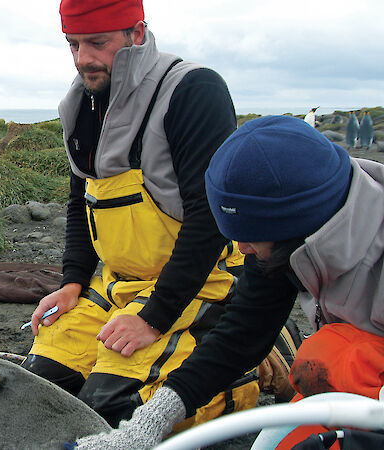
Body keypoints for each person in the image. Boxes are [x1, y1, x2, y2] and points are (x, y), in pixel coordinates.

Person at [75, 114, 384, 448]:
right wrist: (151, 420)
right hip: (354, 382)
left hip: (370, 387)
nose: (240, 248)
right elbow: (243, 332)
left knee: (339, 356)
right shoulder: (289, 237)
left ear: (298, 224)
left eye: (249, 236)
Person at [22, 0, 260, 430]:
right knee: (40, 386)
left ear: (136, 33)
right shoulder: (80, 103)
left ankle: (245, 371)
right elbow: (83, 201)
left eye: (97, 43)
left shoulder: (191, 90)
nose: (82, 59)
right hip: (117, 285)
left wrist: (153, 318)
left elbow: (210, 218)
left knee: (114, 407)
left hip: (202, 281)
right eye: (72, 44)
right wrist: (72, 282)